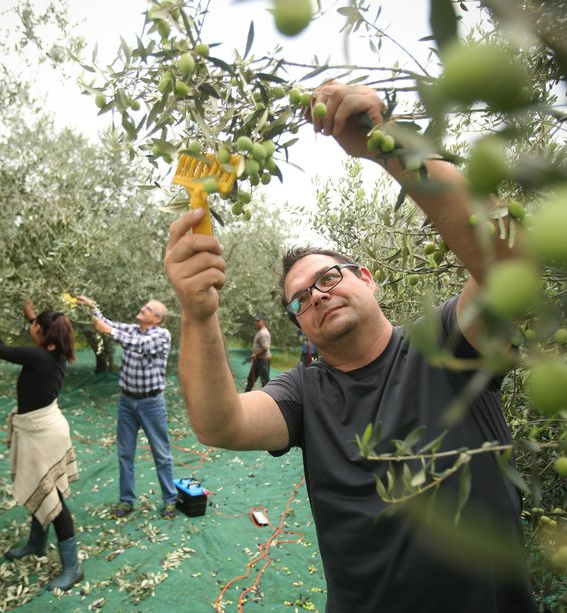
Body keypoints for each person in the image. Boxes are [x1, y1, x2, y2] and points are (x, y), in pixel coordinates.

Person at [163, 81, 536, 612]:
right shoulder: (304, 395)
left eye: (327, 277)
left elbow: (511, 267)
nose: (315, 296)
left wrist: (390, 144)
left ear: (367, 277)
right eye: (298, 301)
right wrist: (198, 314)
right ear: (300, 326)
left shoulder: (447, 345)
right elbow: (220, 424)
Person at [0, 299, 83, 592]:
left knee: (55, 501)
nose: (30, 327)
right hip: (45, 428)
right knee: (42, 489)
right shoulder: (54, 352)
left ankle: (72, 567)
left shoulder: (37, 356)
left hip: (44, 434)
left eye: (33, 325)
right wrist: (31, 314)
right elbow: (44, 328)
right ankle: (36, 544)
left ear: (40, 331)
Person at [75, 295, 178, 520]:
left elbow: (138, 345)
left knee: (161, 453)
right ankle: (126, 501)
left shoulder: (161, 335)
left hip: (151, 403)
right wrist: (93, 307)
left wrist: (109, 331)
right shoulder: (133, 330)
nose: (142, 308)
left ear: (157, 319)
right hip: (127, 402)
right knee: (125, 453)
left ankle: (170, 500)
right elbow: (108, 323)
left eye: (148, 309)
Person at [244, 315, 271, 391]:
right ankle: (246, 395)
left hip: (263, 361)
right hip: (258, 360)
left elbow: (265, 348)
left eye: (258, 321)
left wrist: (256, 354)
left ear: (263, 322)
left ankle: (267, 399)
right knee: (250, 379)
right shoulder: (261, 332)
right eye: (256, 321)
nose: (256, 323)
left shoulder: (263, 333)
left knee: (265, 382)